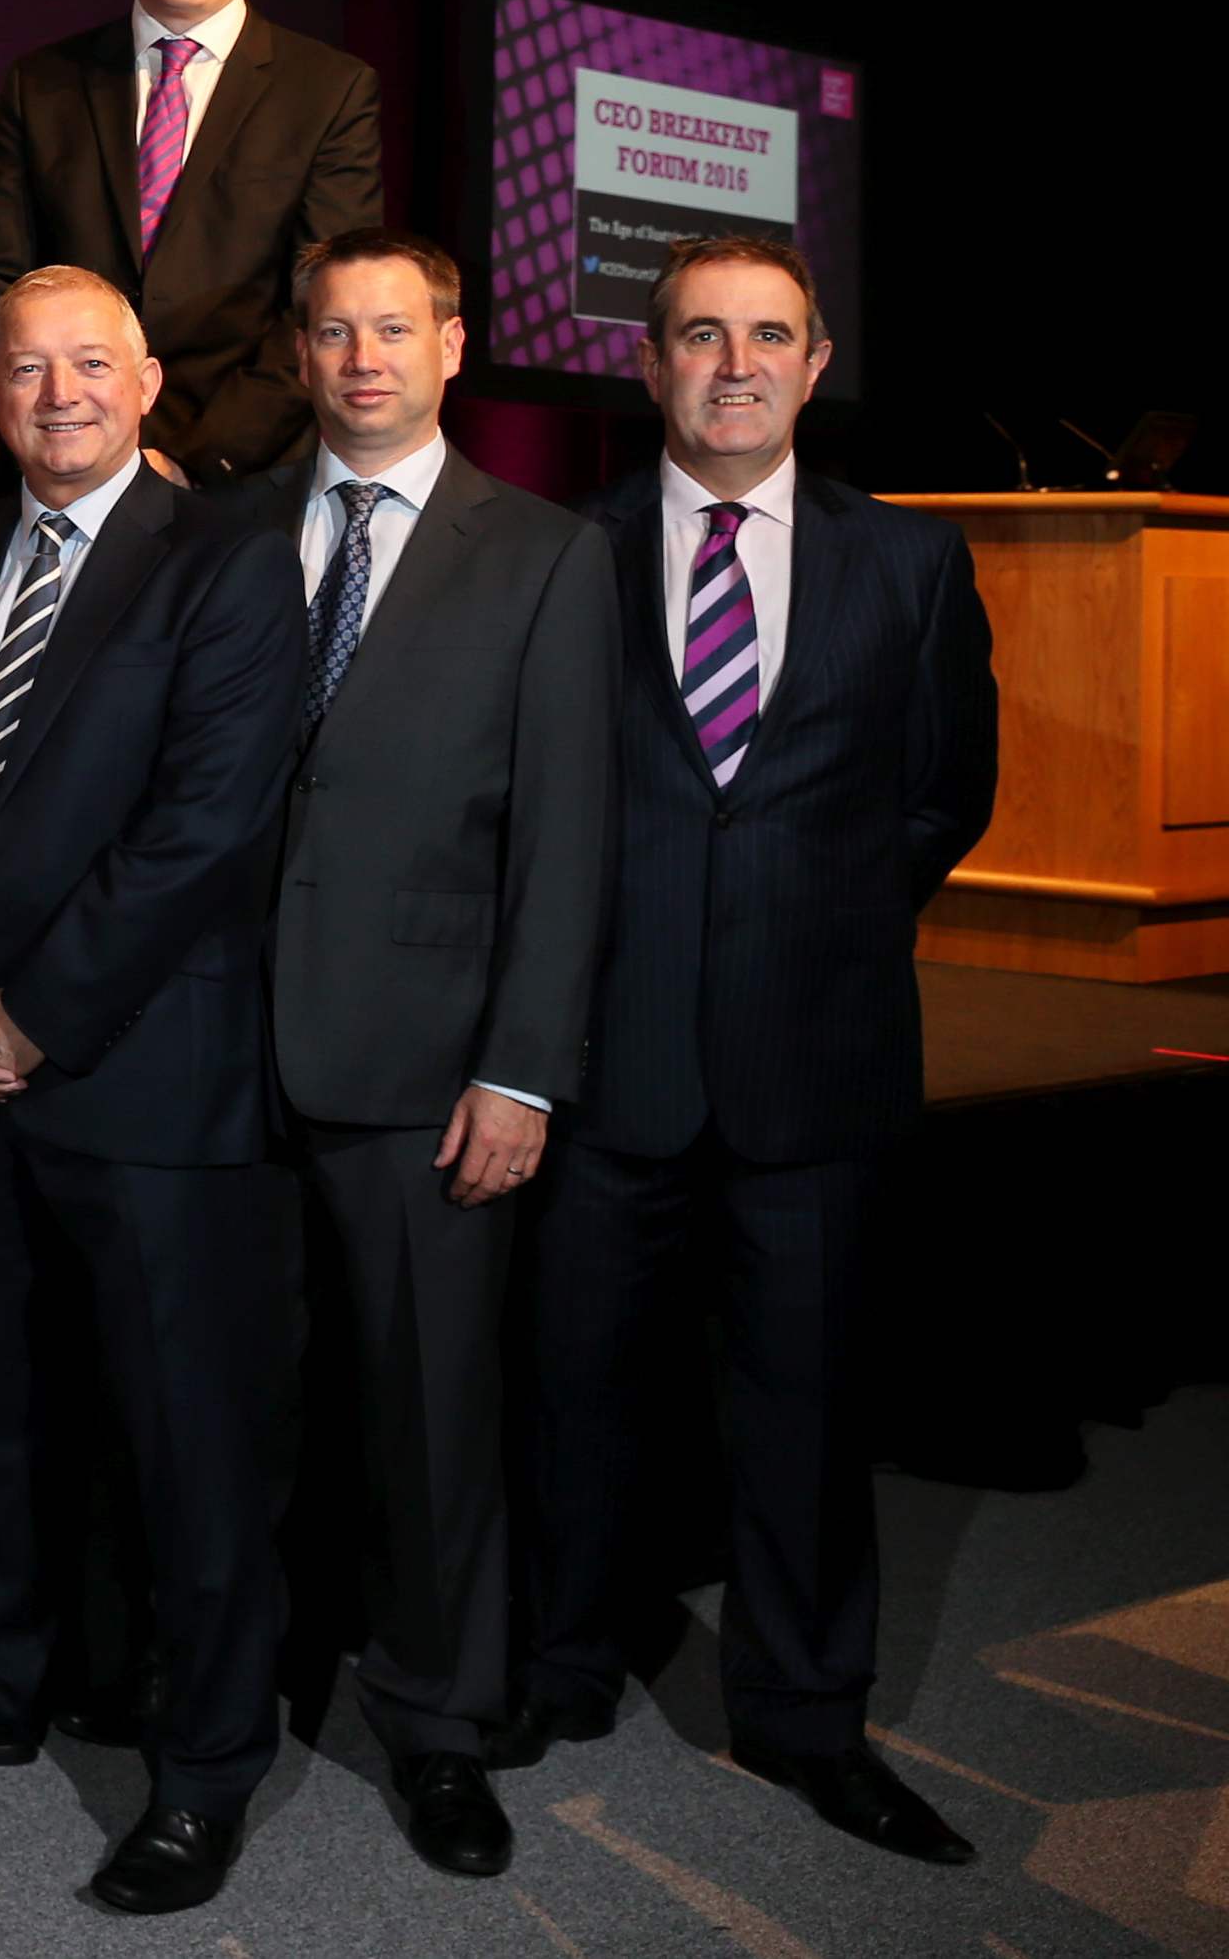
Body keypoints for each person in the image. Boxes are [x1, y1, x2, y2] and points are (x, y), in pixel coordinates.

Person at [505, 235, 997, 1863]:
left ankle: (803, 1715)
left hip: (814, 1060)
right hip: (604, 1063)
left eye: (764, 334)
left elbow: (943, 789)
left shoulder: (907, 567)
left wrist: (823, 915)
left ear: (812, 358)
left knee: (800, 1408)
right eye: (697, 334)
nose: (731, 362)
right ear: (645, 363)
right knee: (575, 1393)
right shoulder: (557, 553)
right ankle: (566, 1664)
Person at [0, 266, 307, 1919]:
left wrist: (31, 1013)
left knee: (189, 1439)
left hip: (141, 1070)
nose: (55, 391)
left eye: (87, 363)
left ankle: (200, 1768)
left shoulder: (230, 562)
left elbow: (207, 822)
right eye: (23, 366)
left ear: (145, 380)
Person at [218, 228, 616, 1883]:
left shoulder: (538, 552)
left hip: (430, 1069)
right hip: (216, 1062)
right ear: (299, 351)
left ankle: (441, 1727)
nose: (361, 355)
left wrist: (522, 1066)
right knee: (223, 1416)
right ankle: (218, 1710)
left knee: (433, 1425)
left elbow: (566, 835)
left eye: (393, 327)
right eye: (332, 329)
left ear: (450, 344)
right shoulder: (226, 531)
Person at [0, 0, 379, 483]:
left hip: (237, 484)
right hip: (56, 463)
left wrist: (189, 457)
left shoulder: (329, 91)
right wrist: (69, 421)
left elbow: (322, 305)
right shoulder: (42, 84)